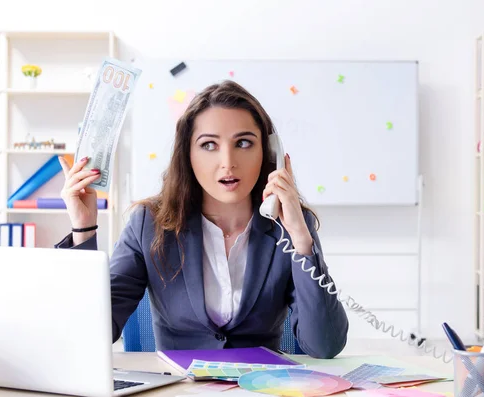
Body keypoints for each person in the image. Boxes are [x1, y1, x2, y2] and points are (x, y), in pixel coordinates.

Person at [55, 80, 349, 359]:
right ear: (188, 154)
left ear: (269, 153)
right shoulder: (149, 224)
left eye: (244, 143)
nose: (227, 162)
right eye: (209, 145)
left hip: (259, 387)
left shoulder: (290, 227)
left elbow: (324, 345)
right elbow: (89, 333)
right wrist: (83, 229)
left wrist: (300, 239)